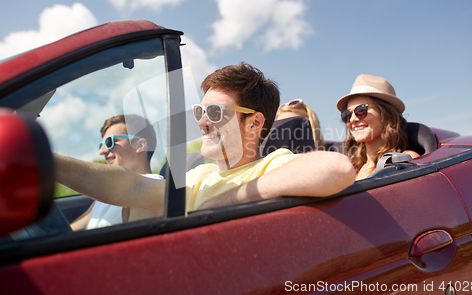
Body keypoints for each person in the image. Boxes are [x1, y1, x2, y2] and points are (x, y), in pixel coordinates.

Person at [55, 63, 355, 214]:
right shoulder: (199, 175)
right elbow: (130, 186)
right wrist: (44, 161)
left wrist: (226, 199)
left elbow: (338, 169)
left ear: (254, 123)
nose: (202, 120)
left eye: (215, 111)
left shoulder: (272, 164)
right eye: (200, 110)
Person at [70, 114, 164, 230]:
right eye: (101, 144)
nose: (102, 151)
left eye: (110, 142)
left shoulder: (152, 187)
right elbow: (70, 231)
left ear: (140, 145)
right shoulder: (106, 194)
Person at [336, 74, 420, 180]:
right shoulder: (353, 166)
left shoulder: (405, 160)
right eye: (347, 115)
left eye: (361, 110)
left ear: (387, 114)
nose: (352, 119)